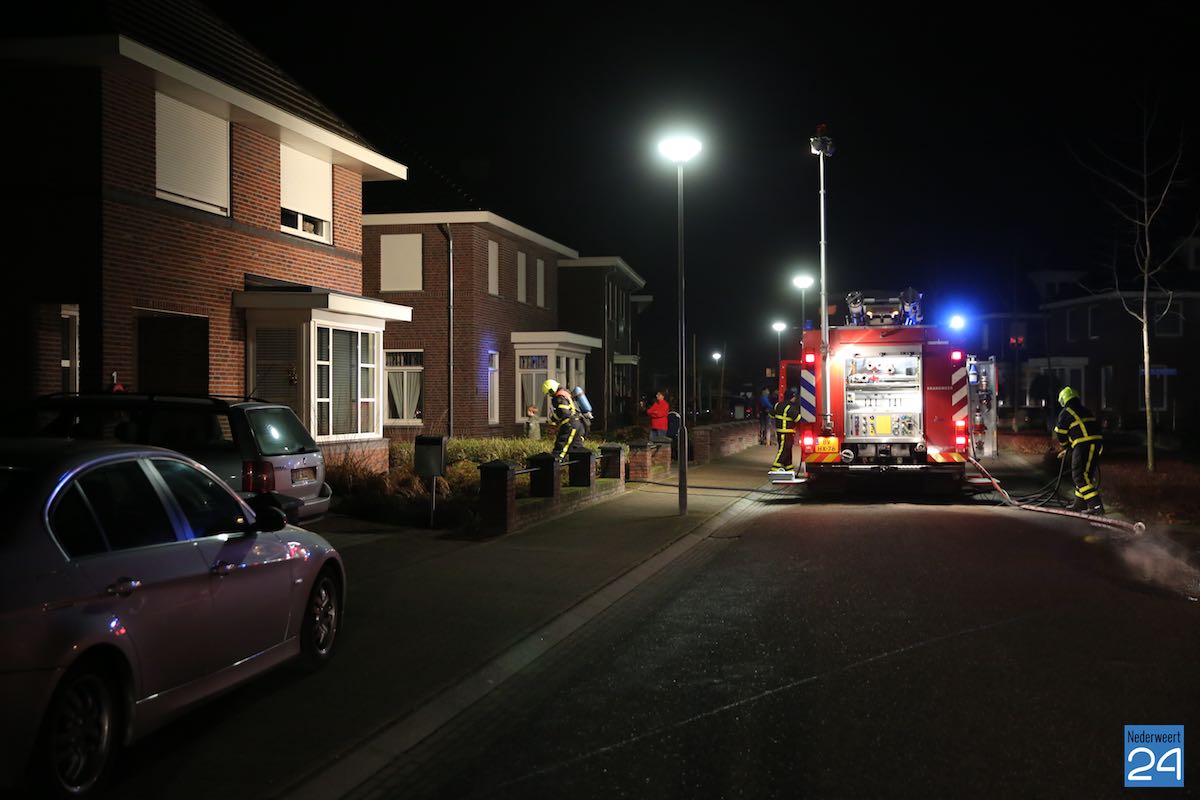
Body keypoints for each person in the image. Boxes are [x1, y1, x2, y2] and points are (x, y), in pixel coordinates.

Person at [1054, 386, 1104, 514]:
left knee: (1079, 475)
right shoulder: (1085, 410)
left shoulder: (1066, 413)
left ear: (1063, 400)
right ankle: (1080, 503)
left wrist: (1066, 447)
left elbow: (1060, 433)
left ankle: (1096, 505)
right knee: (1085, 475)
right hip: (1095, 444)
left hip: (1083, 445)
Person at [543, 379, 586, 459]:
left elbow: (563, 412)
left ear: (552, 389)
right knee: (576, 449)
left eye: (549, 393)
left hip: (570, 425)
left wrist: (553, 419)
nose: (550, 395)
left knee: (560, 448)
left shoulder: (560, 397)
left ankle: (554, 464)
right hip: (579, 424)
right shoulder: (566, 393)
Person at [771, 387, 802, 472]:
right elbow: (798, 419)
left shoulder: (777, 405)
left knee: (787, 451)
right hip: (787, 433)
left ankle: (789, 469)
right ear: (792, 397)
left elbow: (771, 415)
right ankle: (775, 468)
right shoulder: (790, 407)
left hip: (780, 432)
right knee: (784, 451)